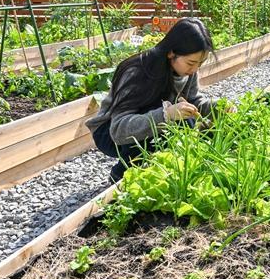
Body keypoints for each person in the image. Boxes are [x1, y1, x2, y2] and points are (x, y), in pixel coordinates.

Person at [86, 17, 219, 182]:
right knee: (172, 123)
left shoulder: (187, 71)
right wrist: (166, 114)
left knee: (188, 121)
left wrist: (217, 107)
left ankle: (157, 169)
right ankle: (122, 173)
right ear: (171, 53)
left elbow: (194, 102)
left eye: (200, 64)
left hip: (147, 120)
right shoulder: (137, 71)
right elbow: (118, 129)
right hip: (110, 132)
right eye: (191, 63)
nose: (194, 70)